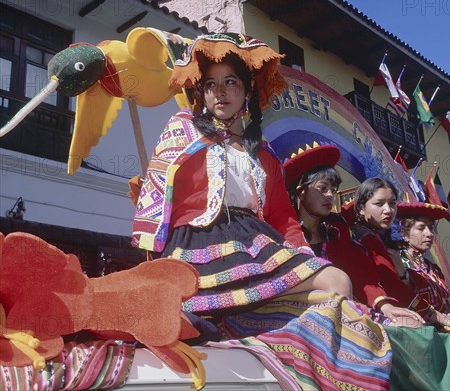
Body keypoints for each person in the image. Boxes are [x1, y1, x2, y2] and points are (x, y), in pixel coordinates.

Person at [132, 32, 351, 318]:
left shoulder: (264, 155)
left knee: (337, 282)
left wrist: (302, 253)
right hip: (198, 241)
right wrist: (152, 252)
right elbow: (157, 197)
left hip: (259, 243)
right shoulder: (183, 130)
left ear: (248, 92)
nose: (219, 91)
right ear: (202, 94)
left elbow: (282, 217)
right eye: (210, 84)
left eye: (230, 82)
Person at [284, 144, 425, 327]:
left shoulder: (336, 231)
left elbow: (361, 274)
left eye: (333, 190)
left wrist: (384, 304)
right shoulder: (284, 230)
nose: (329, 196)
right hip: (297, 310)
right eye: (322, 188)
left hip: (343, 309)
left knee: (411, 325)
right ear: (301, 191)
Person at [345, 177, 450, 335]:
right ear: (403, 232)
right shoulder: (365, 238)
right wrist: (440, 318)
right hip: (371, 311)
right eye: (379, 204)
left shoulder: (431, 267)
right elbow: (394, 288)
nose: (388, 210)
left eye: (392, 203)